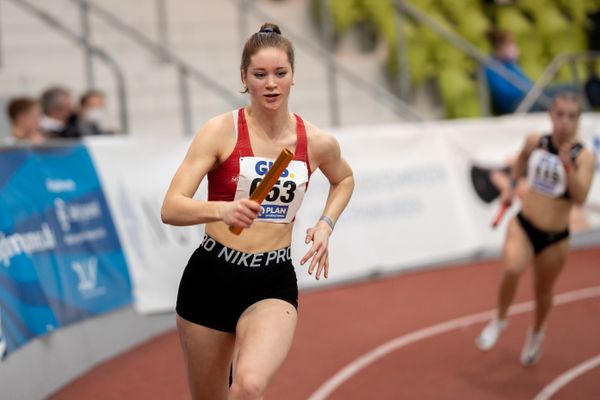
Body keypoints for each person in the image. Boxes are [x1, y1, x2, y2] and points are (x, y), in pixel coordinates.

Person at [161, 22, 354, 399]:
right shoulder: (220, 131)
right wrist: (222, 211)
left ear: (293, 77)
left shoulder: (316, 142)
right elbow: (171, 207)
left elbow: (344, 179)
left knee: (248, 385)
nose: (270, 84)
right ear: (244, 78)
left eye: (280, 74)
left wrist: (326, 224)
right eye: (260, 74)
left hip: (271, 281)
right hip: (210, 277)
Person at [475, 92, 596, 367]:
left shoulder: (584, 156)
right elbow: (519, 160)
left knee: (543, 291)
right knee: (512, 268)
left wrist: (567, 166)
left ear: (578, 120)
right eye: (559, 114)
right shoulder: (535, 141)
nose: (564, 121)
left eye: (571, 116)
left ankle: (537, 333)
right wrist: (514, 184)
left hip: (555, 238)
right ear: (551, 115)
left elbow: (580, 198)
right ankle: (500, 319)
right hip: (525, 224)